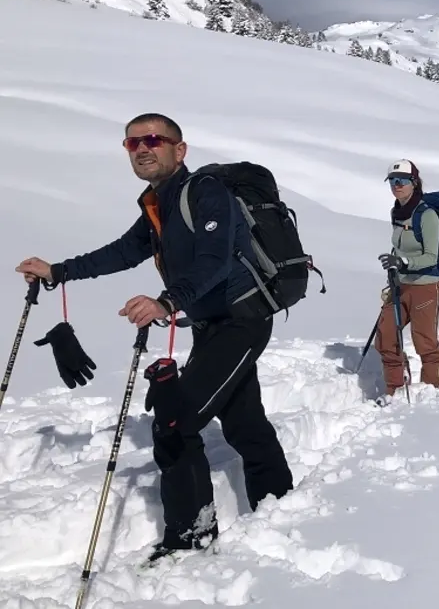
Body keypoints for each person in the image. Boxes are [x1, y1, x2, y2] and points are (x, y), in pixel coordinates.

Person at [14, 113, 293, 563]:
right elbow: (124, 251)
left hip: (242, 321)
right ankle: (281, 503)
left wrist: (166, 302)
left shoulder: (205, 193)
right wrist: (59, 272)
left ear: (179, 150)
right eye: (131, 144)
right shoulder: (157, 202)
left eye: (153, 140)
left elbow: (215, 260)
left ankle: (190, 539)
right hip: (211, 325)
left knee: (175, 421)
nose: (142, 149)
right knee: (244, 422)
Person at [375, 159, 439, 393]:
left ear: (414, 183)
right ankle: (395, 388)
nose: (397, 185)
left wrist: (404, 262)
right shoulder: (397, 211)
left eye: (403, 181)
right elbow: (400, 245)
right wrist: (395, 265)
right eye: (393, 181)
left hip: (425, 286)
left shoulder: (427, 215)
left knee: (424, 342)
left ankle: (431, 391)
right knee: (386, 335)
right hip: (401, 284)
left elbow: (431, 257)